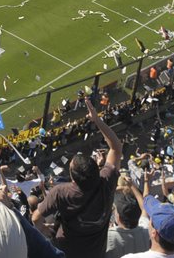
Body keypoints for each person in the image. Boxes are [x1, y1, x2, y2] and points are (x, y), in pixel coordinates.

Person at [37, 99, 123, 258]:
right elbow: (116, 147)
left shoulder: (61, 192)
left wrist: (41, 228)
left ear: (73, 178)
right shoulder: (107, 181)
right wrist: (97, 120)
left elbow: (35, 218)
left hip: (66, 252)